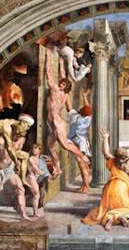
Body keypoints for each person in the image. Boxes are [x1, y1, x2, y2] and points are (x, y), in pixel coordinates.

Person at [82, 130, 129, 230]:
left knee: (109, 208)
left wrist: (105, 138)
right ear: (126, 156)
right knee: (125, 209)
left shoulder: (112, 161)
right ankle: (121, 217)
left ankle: (110, 219)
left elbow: (105, 152)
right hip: (122, 188)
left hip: (110, 188)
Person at [44, 51, 90, 185]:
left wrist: (48, 56)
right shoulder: (64, 94)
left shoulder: (56, 91)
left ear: (65, 87)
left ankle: (82, 155)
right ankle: (58, 168)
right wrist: (60, 63)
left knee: (64, 144)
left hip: (57, 122)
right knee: (50, 147)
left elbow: (48, 72)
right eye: (61, 83)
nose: (60, 84)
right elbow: (63, 76)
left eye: (63, 84)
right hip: (50, 123)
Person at [0, 115, 34, 224]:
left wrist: (20, 162)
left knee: (20, 188)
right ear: (13, 130)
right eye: (17, 134)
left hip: (9, 169)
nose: (18, 138)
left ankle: (23, 214)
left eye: (21, 136)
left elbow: (14, 153)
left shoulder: (19, 140)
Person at [66, 90, 93, 192]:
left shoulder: (76, 117)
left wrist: (66, 95)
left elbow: (69, 107)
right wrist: (85, 96)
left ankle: (86, 186)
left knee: (82, 164)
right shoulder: (88, 118)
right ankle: (84, 185)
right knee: (83, 165)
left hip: (78, 143)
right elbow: (87, 107)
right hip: (82, 142)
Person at [25, 144, 46, 218]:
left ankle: (35, 212)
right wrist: (46, 172)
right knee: (36, 195)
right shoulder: (31, 159)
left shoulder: (40, 158)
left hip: (36, 178)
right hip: (31, 178)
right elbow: (37, 170)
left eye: (36, 148)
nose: (34, 150)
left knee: (38, 195)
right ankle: (35, 213)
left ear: (39, 150)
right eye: (33, 148)